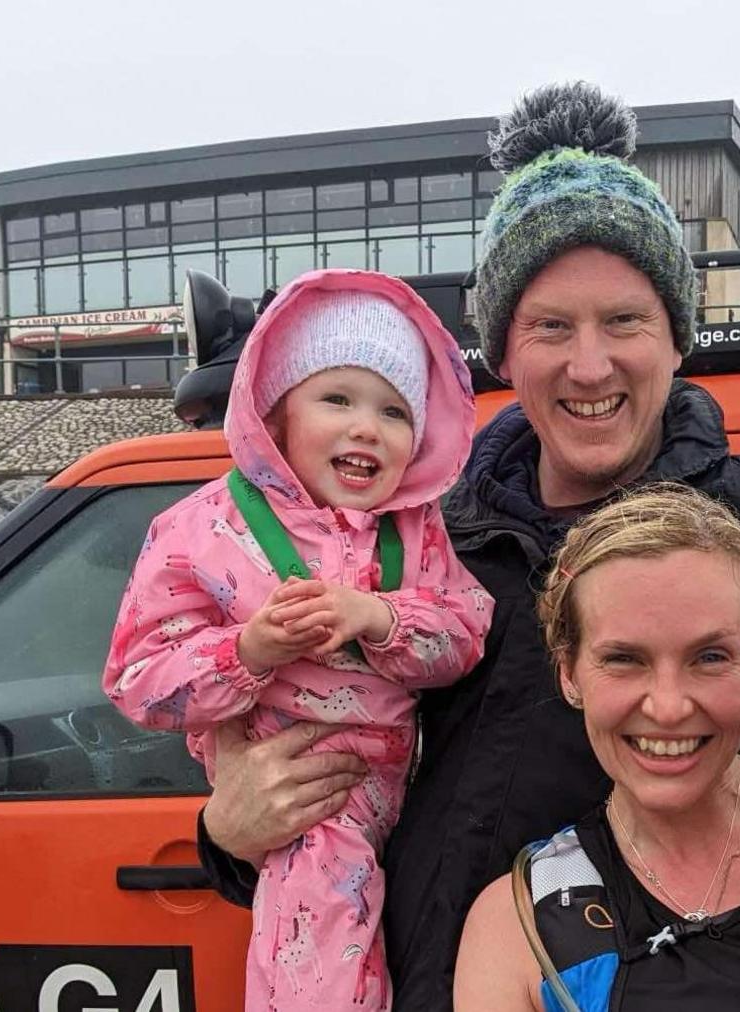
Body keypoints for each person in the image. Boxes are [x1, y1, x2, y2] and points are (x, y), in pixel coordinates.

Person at [196, 81, 740, 1010]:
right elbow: (319, 779)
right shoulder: (411, 548)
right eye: (550, 326)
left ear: (678, 338)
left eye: (625, 321)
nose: (589, 366)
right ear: (502, 353)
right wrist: (227, 837)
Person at [105, 269, 491, 1011]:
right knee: (319, 933)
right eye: (336, 398)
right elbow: (138, 681)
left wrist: (379, 619)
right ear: (274, 414)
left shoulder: (417, 531)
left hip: (413, 796)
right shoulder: (198, 532)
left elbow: (466, 633)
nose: (366, 427)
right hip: (305, 794)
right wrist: (248, 651)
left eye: (394, 410)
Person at [454, 484, 740, 1011]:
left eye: (709, 657)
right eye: (624, 659)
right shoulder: (523, 924)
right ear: (568, 672)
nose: (668, 707)